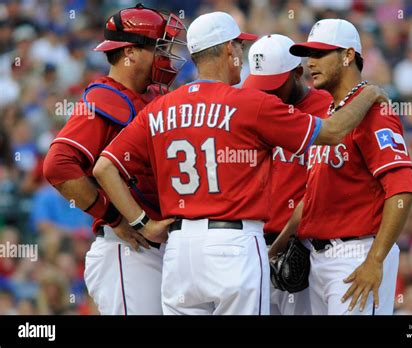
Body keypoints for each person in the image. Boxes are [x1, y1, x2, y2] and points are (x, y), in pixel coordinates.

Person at [93, 12, 387, 315]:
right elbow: (333, 131)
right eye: (238, 47)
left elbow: (105, 167)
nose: (240, 55)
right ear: (228, 49)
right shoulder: (250, 103)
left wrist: (144, 223)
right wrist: (369, 94)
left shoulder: (160, 107)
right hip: (233, 245)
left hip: (179, 251)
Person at [43, 3, 186, 315]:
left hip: (161, 246)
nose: (166, 56)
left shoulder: (151, 96)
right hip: (128, 251)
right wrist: (117, 218)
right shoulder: (104, 98)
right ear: (129, 53)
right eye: (157, 48)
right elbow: (58, 165)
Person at [269, 19, 412, 315]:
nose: (310, 63)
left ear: (348, 55)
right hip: (318, 258)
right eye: (308, 55)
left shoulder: (375, 112)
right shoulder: (331, 115)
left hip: (356, 254)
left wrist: (375, 260)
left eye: (320, 54)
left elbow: (402, 190)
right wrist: (270, 254)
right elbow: (310, 200)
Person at [242, 34, 332, 315]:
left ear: (297, 73)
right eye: (261, 86)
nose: (267, 94)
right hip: (255, 244)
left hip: (301, 248)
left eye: (273, 87)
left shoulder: (328, 108)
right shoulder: (251, 106)